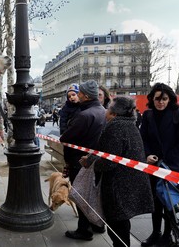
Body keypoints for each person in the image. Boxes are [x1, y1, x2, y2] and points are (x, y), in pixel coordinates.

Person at [82, 96, 154, 247]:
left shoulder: (115, 127)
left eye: (108, 109)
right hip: (129, 182)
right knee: (122, 222)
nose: (106, 112)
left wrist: (92, 165)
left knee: (116, 226)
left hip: (118, 185)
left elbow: (109, 161)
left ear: (114, 114)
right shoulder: (130, 125)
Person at [139, 83, 179, 247]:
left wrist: (164, 160)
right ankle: (156, 233)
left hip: (172, 167)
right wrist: (147, 155)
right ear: (152, 99)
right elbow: (143, 139)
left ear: (170, 99)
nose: (160, 102)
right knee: (155, 203)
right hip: (152, 166)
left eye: (164, 99)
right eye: (157, 99)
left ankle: (168, 235)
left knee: (169, 203)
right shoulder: (147, 115)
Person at [60, 80, 106, 241]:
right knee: (94, 195)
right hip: (97, 161)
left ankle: (84, 230)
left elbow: (65, 137)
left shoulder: (84, 115)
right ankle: (97, 224)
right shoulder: (102, 111)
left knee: (81, 196)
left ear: (85, 96)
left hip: (79, 161)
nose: (77, 95)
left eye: (79, 93)